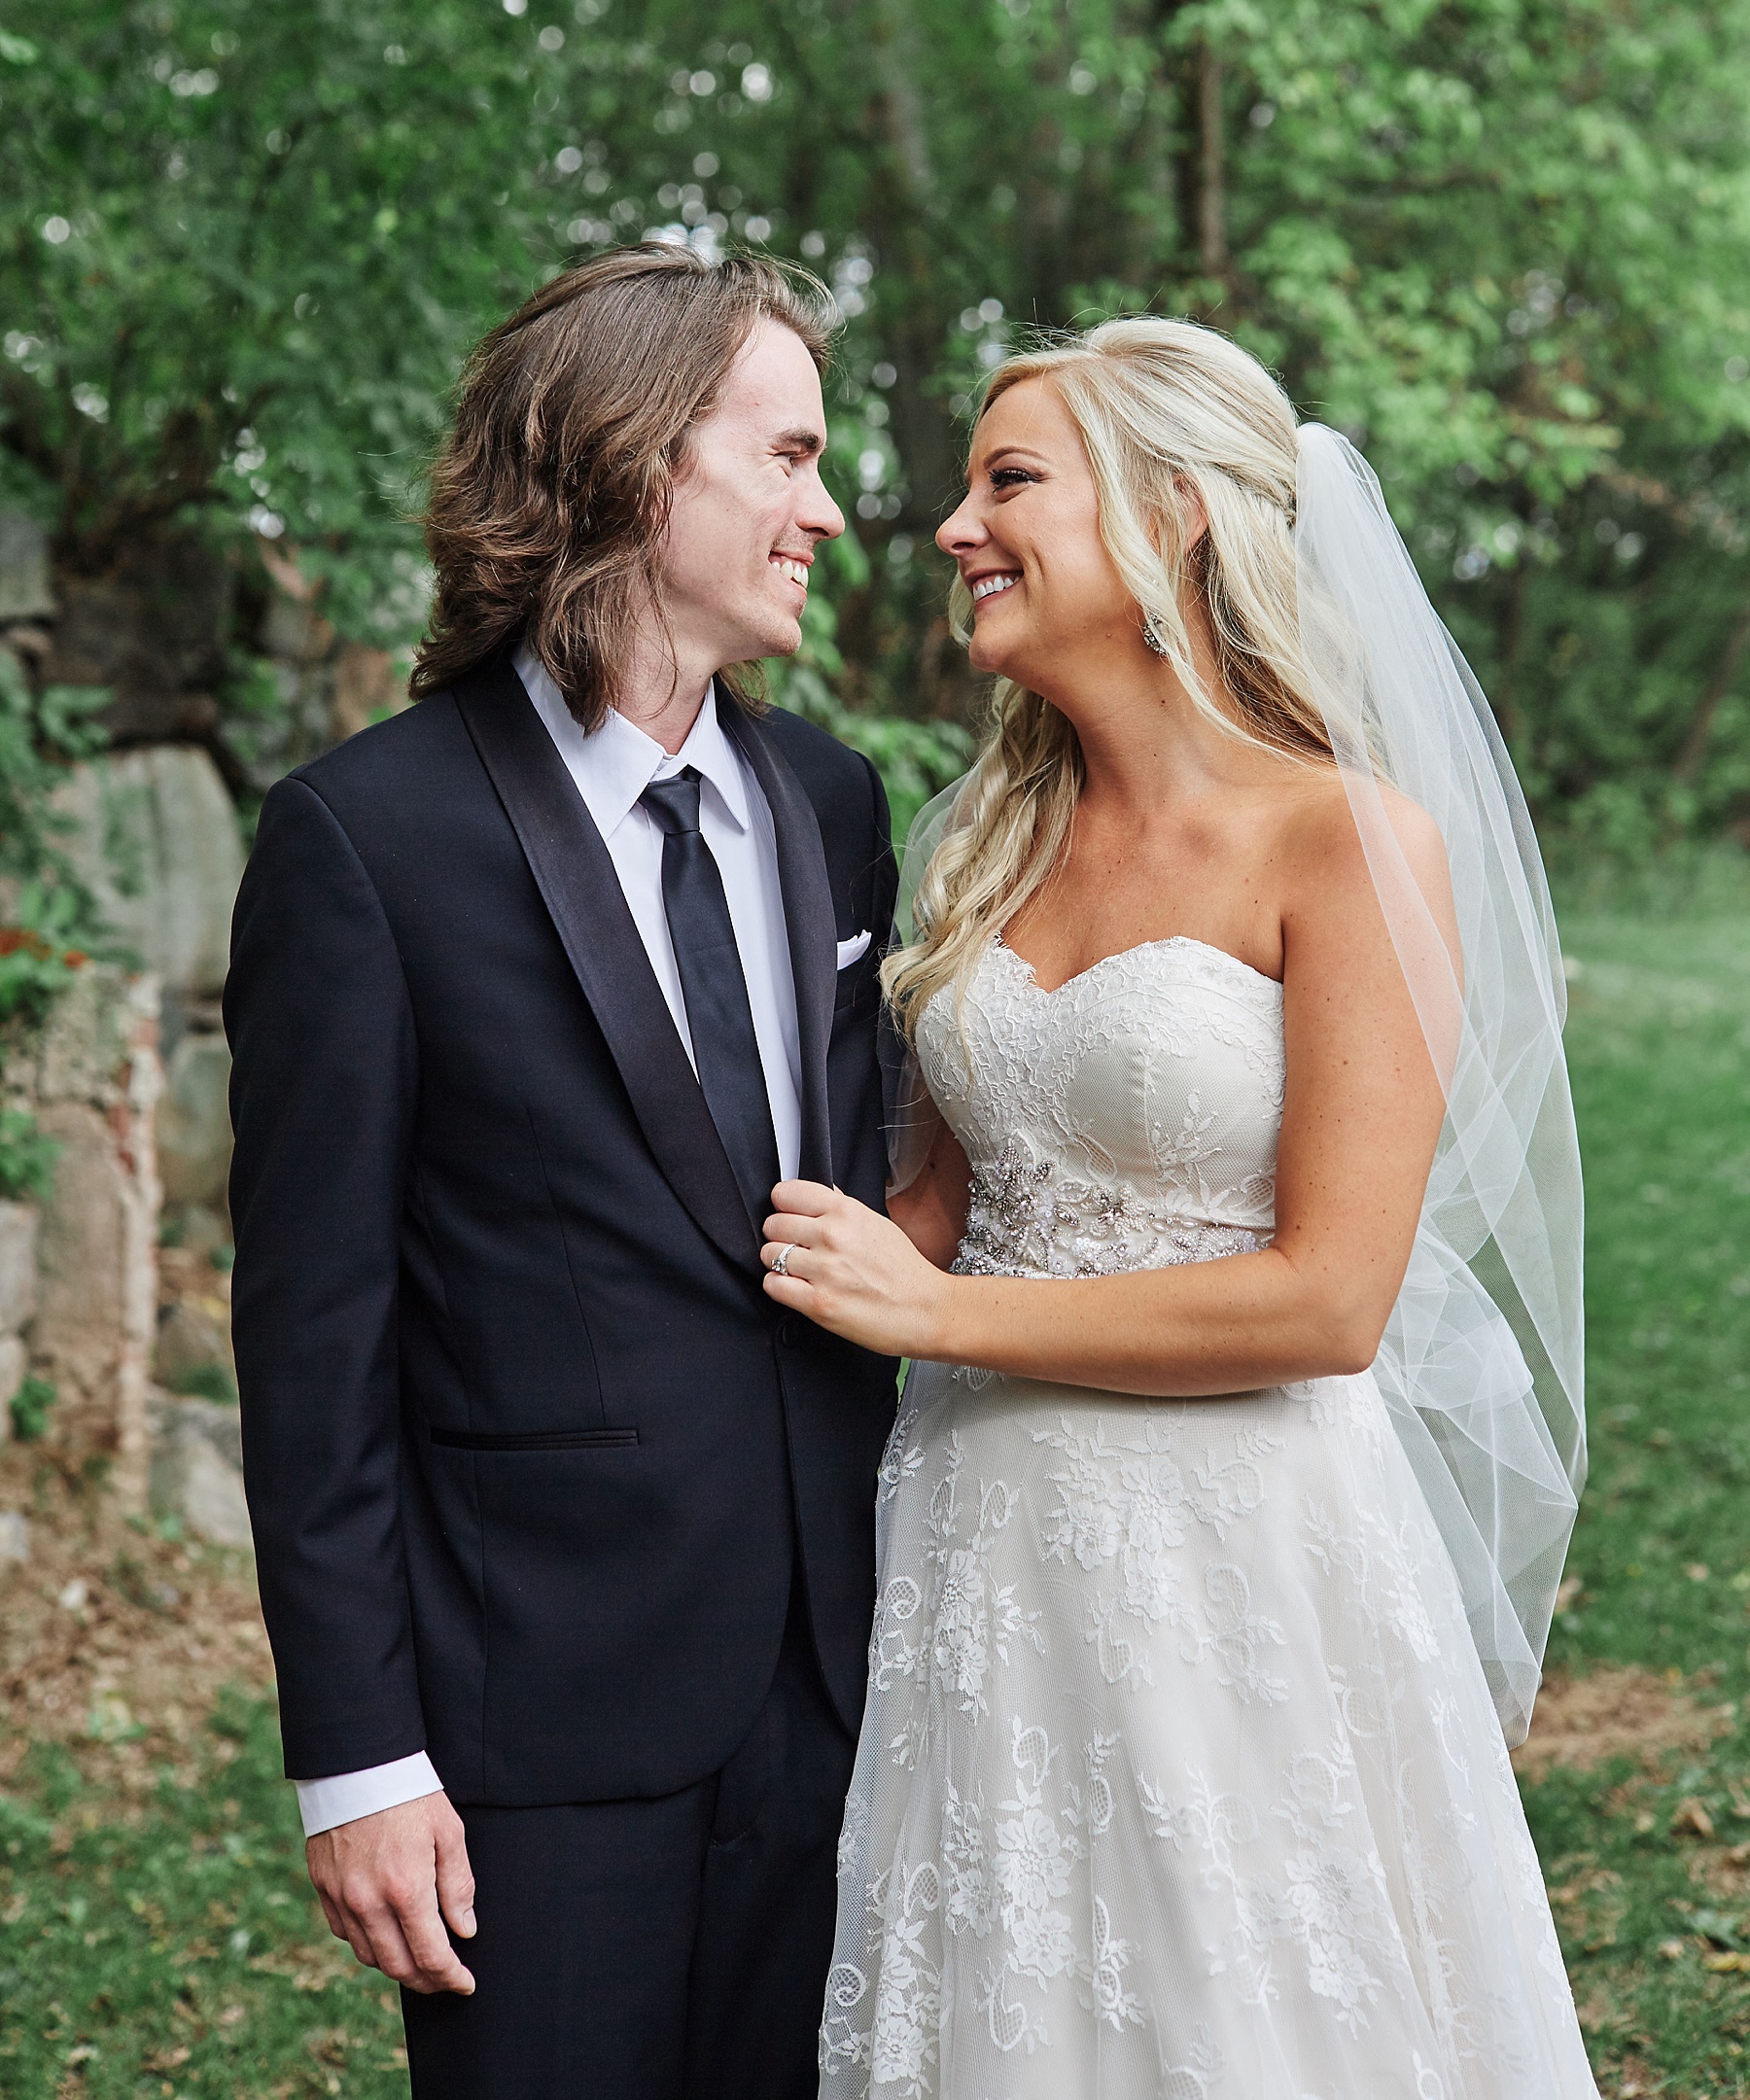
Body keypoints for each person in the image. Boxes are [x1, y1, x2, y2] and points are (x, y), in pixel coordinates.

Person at [756, 318, 1598, 2096]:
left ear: (1175, 517)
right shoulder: (976, 837)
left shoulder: (1350, 841)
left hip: (1245, 1547)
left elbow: (1327, 1302)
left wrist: (946, 1319)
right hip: (982, 1538)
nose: (952, 526)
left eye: (1011, 481)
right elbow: (929, 1213)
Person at [225, 245, 900, 2100]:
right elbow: (312, 1344)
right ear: (635, 458)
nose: (825, 512)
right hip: (536, 1725)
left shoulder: (836, 808)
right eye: (786, 457)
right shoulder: (367, 842)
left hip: (843, 1688)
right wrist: (362, 1761)